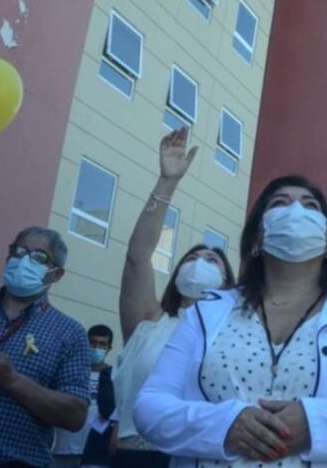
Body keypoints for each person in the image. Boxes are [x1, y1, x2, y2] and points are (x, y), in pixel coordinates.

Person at [135, 174, 327, 467]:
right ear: (257, 238)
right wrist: (224, 425)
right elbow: (150, 408)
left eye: (311, 206)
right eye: (280, 203)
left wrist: (317, 427)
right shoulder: (207, 312)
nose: (296, 211)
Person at [112, 128, 236, 468]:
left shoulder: (235, 333)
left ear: (227, 283)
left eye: (212, 261)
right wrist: (167, 182)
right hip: (136, 458)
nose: (199, 265)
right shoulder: (150, 321)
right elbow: (138, 256)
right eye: (191, 259)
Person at [0, 227, 90, 467]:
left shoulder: (69, 333)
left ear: (56, 275)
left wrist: (12, 381)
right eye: (18, 252)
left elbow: (75, 416)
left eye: (39, 257)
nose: (24, 261)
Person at [53, 324, 117, 468]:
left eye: (102, 344)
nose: (96, 347)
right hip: (64, 446)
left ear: (109, 348)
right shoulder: (70, 371)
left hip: (94, 452)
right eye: (92, 342)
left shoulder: (114, 377)